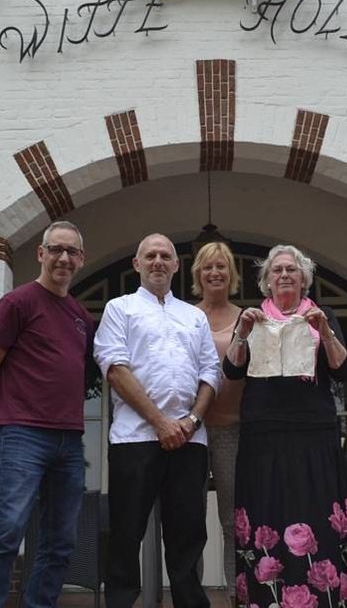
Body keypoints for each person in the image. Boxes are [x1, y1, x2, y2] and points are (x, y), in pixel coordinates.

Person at [224, 244, 347, 608]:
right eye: (277, 270)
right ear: (266, 281)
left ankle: (325, 597)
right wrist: (242, 333)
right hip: (263, 435)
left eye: (292, 270)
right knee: (267, 512)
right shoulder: (252, 317)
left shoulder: (322, 315)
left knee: (314, 512)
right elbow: (232, 369)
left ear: (304, 278)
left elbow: (344, 372)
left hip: (313, 433)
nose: (284, 275)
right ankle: (265, 598)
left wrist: (325, 332)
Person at [93, 233, 221, 608]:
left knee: (187, 535)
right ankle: (120, 602)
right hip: (134, 439)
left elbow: (210, 372)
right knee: (125, 533)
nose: (158, 262)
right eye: (150, 255)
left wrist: (192, 420)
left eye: (166, 256)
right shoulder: (120, 309)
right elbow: (115, 369)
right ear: (137, 264)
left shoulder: (193, 316)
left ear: (177, 265)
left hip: (190, 442)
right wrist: (161, 423)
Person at [0, 220, 94, 608]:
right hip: (24, 435)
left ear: (81, 259)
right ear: (41, 253)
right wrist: (15, 409)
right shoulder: (17, 303)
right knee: (8, 530)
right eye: (56, 249)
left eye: (71, 251)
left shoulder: (80, 316)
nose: (63, 258)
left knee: (61, 541)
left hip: (70, 440)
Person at [191, 241, 244, 606]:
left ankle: (236, 593)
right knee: (190, 519)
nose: (215, 273)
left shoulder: (247, 318)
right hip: (192, 431)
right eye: (208, 267)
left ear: (231, 274)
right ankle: (190, 595)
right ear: (198, 275)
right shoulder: (185, 316)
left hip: (233, 430)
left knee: (232, 520)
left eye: (222, 266)